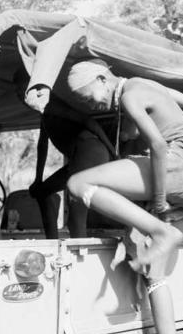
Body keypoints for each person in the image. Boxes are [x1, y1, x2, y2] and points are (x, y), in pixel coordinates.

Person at [61, 59, 183, 334]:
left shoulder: (130, 94)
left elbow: (160, 147)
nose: (93, 105)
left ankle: (159, 230)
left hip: (182, 165)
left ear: (103, 78)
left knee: (78, 184)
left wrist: (160, 201)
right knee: (155, 274)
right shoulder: (147, 85)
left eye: (90, 96)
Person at [14, 67, 115, 238]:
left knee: (76, 215)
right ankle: (52, 242)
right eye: (17, 90)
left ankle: (80, 259)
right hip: (78, 158)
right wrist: (38, 178)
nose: (20, 95)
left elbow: (89, 122)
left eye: (22, 89)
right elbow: (42, 146)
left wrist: (114, 153)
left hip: (89, 151)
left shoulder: (51, 103)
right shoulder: (43, 112)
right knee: (41, 191)